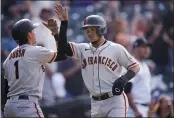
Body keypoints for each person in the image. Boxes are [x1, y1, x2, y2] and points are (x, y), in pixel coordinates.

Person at [54, 3, 140, 117]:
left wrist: (124, 79)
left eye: (92, 29)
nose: (89, 33)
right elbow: (63, 47)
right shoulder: (83, 48)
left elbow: (135, 66)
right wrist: (64, 23)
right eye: (87, 30)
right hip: (95, 102)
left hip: (114, 100)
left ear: (102, 29)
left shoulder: (116, 48)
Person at [3, 18, 67, 117]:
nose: (35, 33)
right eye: (33, 31)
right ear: (28, 34)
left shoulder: (9, 58)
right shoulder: (35, 51)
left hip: (9, 107)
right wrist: (55, 33)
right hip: (26, 105)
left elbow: (6, 88)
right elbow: (63, 55)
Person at [124, 38, 152, 117]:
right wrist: (136, 111)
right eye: (143, 47)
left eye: (148, 47)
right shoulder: (132, 65)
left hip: (143, 108)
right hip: (134, 109)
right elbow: (126, 90)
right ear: (136, 49)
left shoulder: (144, 65)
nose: (147, 50)